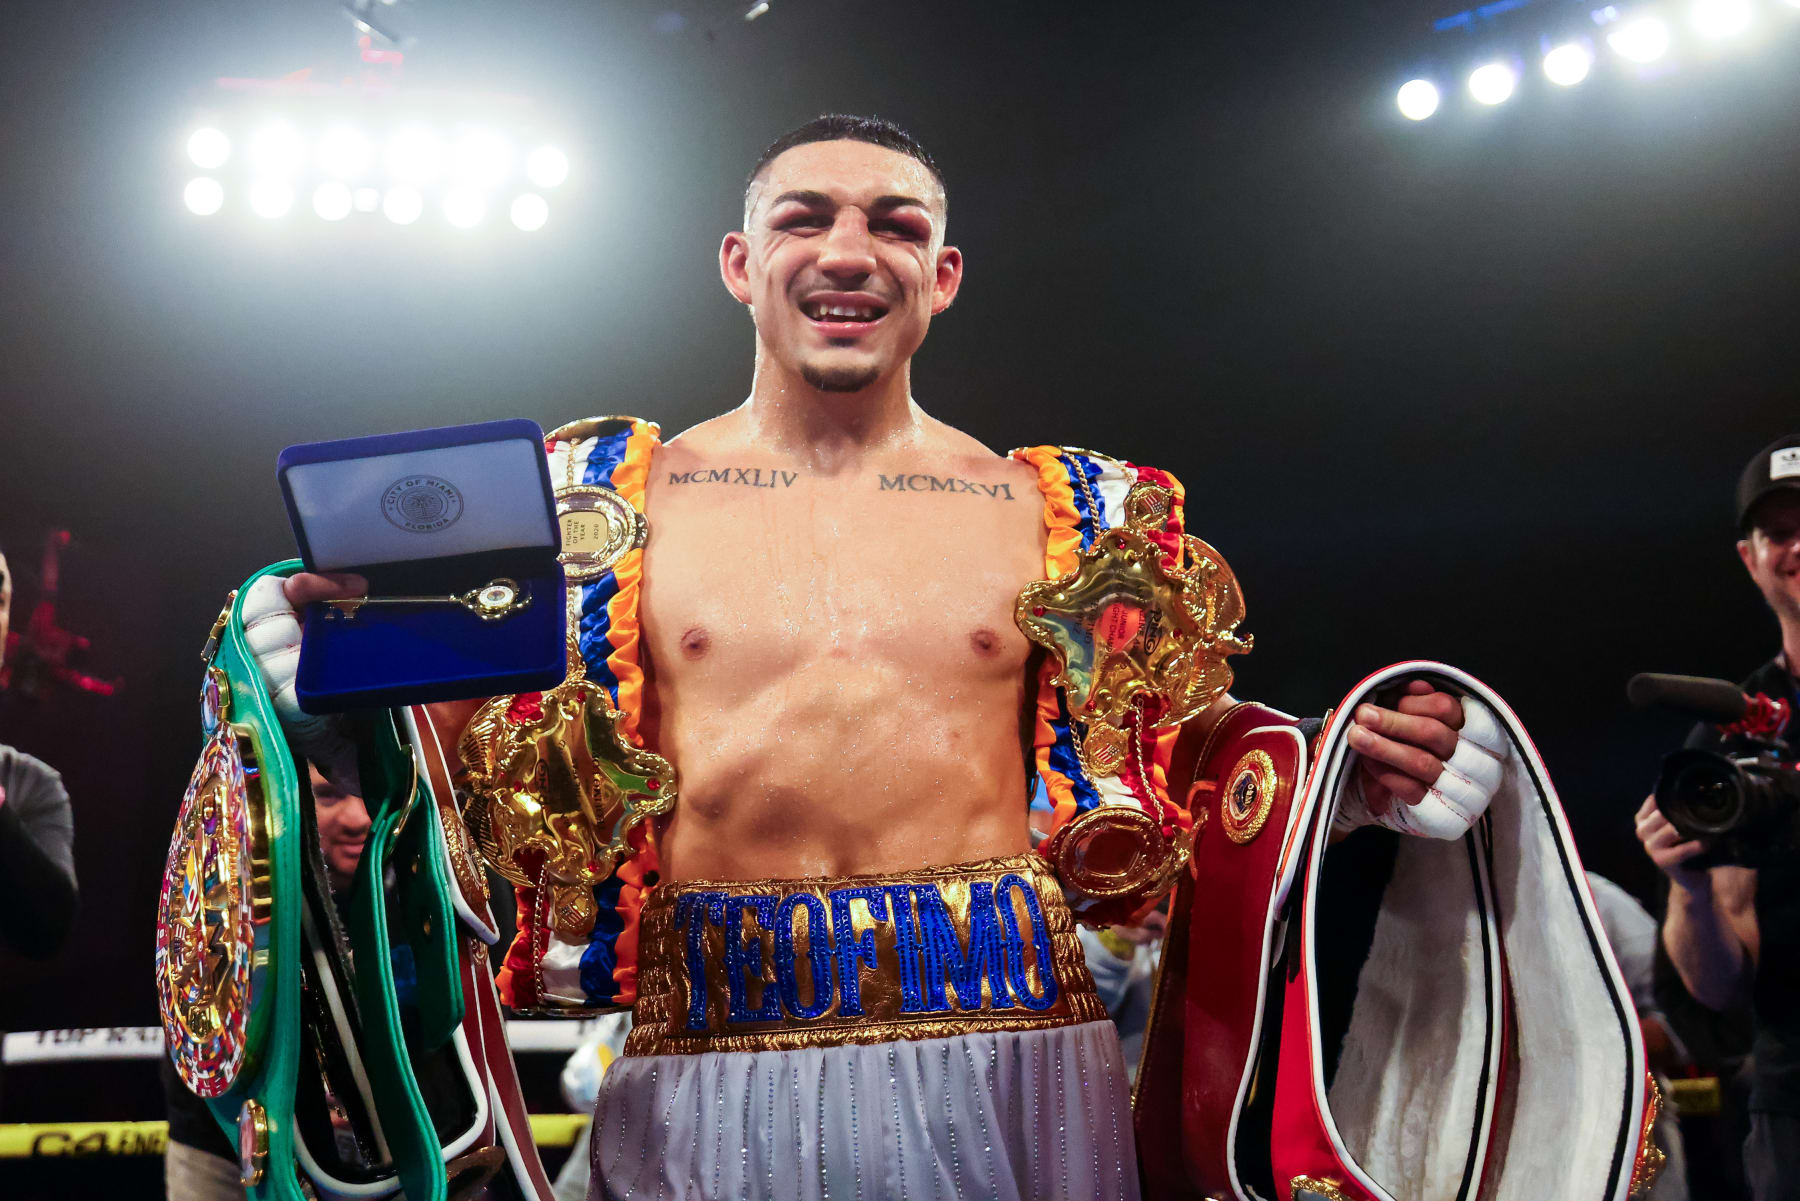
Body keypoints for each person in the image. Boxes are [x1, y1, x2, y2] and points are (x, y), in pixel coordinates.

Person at [272, 115, 1501, 1201]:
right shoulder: (593, 503)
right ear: (741, 266)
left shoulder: (1064, 511)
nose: (850, 250)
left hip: (1017, 1045)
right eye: (804, 218)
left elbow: (1180, 768)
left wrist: (1350, 775)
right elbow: (443, 769)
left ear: (943, 273)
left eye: (895, 224)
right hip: (706, 1046)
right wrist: (313, 669)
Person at [1637, 432, 1800, 1201]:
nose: (1798, 543)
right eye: (1780, 530)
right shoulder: (1730, 745)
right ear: (1751, 557)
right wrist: (1688, 885)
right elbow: (1718, 989)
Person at [161, 761, 371, 1200]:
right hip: (223, 1143)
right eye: (329, 796)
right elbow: (192, 1014)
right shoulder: (225, 871)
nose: (357, 819)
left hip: (379, 1149)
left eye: (365, 794)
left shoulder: (422, 875)